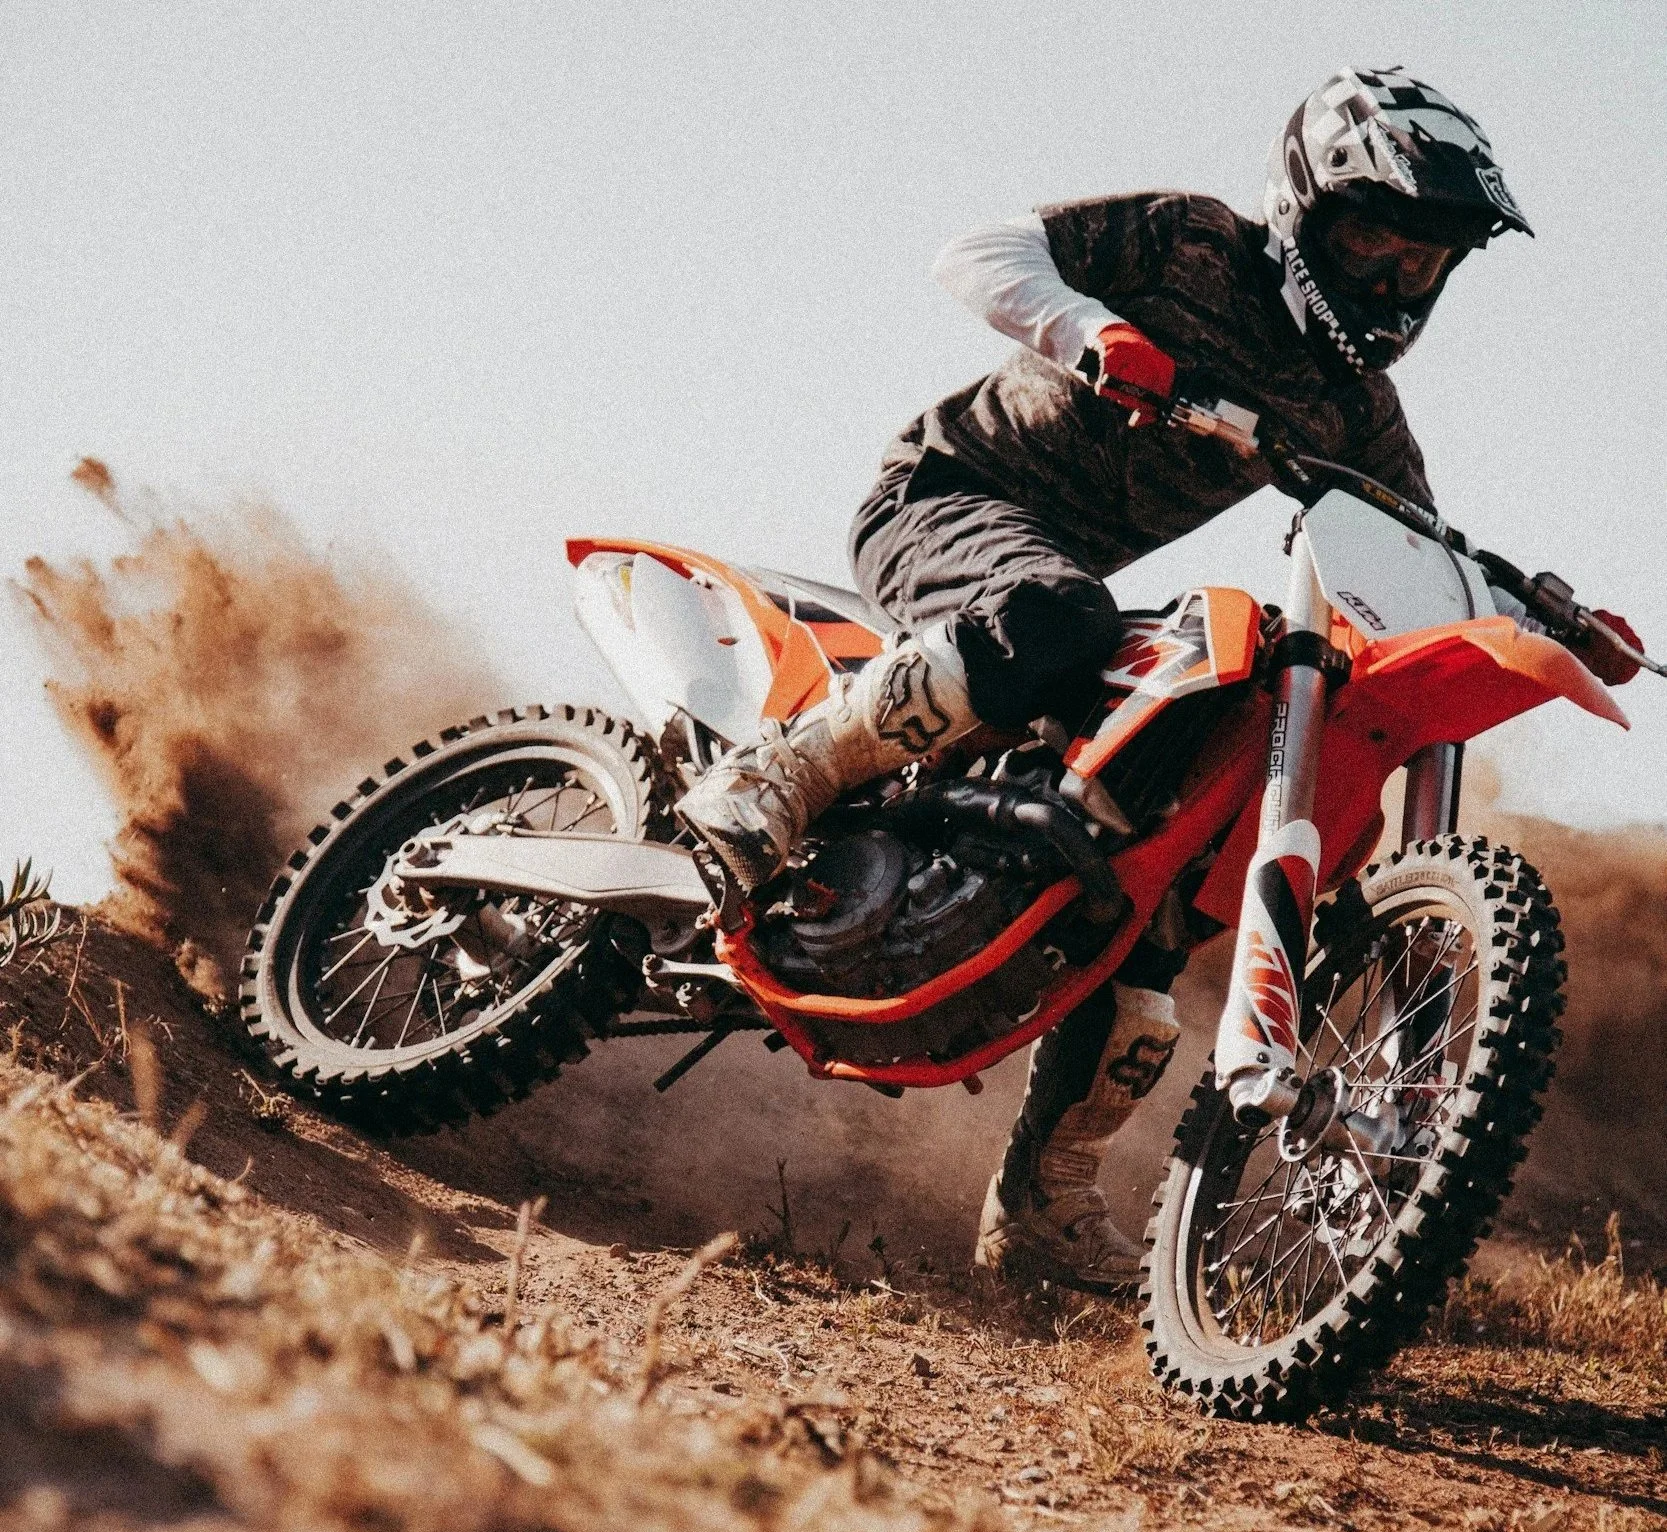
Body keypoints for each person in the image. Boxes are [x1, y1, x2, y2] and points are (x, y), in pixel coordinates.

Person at [679, 67, 1642, 1292]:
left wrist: (1538, 610)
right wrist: (1093, 333)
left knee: (1156, 850)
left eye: (1421, 264)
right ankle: (782, 771)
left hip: (1060, 589)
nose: (1393, 279)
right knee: (1064, 616)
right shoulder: (1191, 241)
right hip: (948, 503)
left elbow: (1416, 551)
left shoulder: (1355, 408)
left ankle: (1041, 1199)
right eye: (1371, 240)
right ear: (1303, 207)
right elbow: (977, 252)